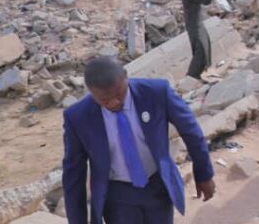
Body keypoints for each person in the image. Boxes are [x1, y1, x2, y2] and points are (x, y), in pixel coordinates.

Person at [62, 56, 216, 224]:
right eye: (104, 101)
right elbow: (73, 173)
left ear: (126, 76)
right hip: (118, 199)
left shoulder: (157, 93)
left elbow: (190, 131)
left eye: (119, 95)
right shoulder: (77, 117)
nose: (114, 102)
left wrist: (203, 174)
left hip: (157, 187)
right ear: (91, 92)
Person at [180, 0, 214, 80]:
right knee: (200, 50)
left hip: (197, 23)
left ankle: (196, 75)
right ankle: (191, 77)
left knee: (205, 46)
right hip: (194, 25)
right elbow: (206, 1)